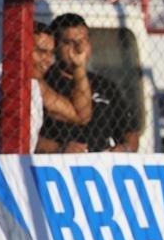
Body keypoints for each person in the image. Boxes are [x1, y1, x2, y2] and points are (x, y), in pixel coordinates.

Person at [0, 22, 94, 154]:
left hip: (18, 168)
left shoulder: (37, 85)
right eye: (41, 52)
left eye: (51, 53)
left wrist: (78, 67)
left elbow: (80, 115)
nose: (48, 60)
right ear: (20, 49)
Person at [40, 13, 139, 153]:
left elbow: (129, 130)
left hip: (99, 168)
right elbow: (30, 138)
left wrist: (125, 148)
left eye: (83, 41)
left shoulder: (106, 86)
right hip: (53, 166)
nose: (78, 49)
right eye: (69, 43)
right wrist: (59, 149)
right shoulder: (44, 82)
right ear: (55, 46)